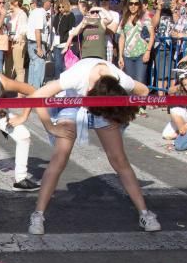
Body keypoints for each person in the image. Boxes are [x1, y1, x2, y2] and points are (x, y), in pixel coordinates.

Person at [26, 57, 163, 234]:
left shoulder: (121, 80)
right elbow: (37, 96)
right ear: (89, 89)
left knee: (119, 160)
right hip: (72, 104)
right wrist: (50, 127)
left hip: (103, 107)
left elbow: (143, 91)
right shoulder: (76, 76)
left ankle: (145, 213)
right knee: (60, 157)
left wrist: (125, 112)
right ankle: (38, 214)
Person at [116, 0, 153, 85]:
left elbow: (152, 35)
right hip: (127, 55)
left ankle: (140, 100)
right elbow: (122, 37)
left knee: (140, 82)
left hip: (141, 53)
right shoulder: (124, 18)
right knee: (130, 83)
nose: (133, 6)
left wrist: (148, 51)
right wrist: (120, 56)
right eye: (131, 3)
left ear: (140, 5)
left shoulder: (145, 18)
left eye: (136, 4)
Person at [25, 0, 50, 88]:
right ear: (45, 2)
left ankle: (30, 92)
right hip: (36, 44)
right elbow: (37, 30)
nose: (51, 3)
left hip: (32, 43)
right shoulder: (41, 12)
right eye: (50, 1)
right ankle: (36, 94)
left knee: (33, 68)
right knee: (38, 70)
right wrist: (39, 48)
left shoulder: (35, 11)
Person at [5, 0, 28, 83]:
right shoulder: (8, 14)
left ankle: (20, 94)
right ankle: (7, 91)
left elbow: (24, 30)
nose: (8, 2)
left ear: (16, 2)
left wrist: (21, 40)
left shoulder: (22, 14)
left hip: (18, 43)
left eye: (10, 1)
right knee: (8, 68)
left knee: (19, 69)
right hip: (8, 42)